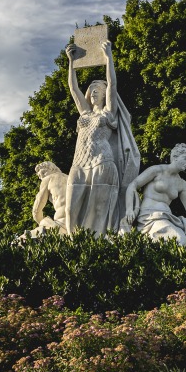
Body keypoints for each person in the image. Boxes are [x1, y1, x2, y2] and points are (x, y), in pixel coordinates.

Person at [64, 39, 139, 234]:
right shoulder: (84, 114)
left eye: (99, 89)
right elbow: (73, 89)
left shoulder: (108, 114)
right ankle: (74, 249)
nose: (95, 91)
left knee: (99, 211)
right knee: (70, 210)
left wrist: (109, 59)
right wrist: (71, 62)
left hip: (102, 162)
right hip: (79, 163)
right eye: (92, 89)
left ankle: (100, 246)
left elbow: (113, 84)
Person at [123, 143, 186, 246]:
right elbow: (133, 185)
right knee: (178, 239)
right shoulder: (157, 170)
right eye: (185, 158)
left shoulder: (182, 184)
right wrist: (129, 209)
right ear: (175, 157)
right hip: (149, 217)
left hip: (169, 218)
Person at [29, 161, 68, 236]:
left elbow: (36, 210)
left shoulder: (48, 178)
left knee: (23, 239)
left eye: (44, 173)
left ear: (52, 169)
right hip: (79, 221)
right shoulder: (69, 178)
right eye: (40, 177)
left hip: (61, 222)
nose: (43, 177)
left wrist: (41, 223)